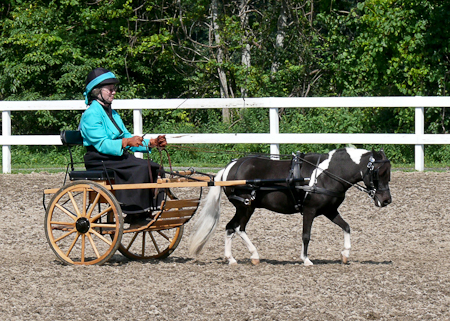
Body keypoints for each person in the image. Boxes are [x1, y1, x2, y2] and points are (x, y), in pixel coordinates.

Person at [79, 67, 167, 223]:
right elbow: (102, 144)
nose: (114, 92)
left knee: (154, 167)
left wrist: (152, 143)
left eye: (114, 89)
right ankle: (134, 212)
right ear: (96, 91)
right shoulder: (91, 114)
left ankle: (148, 209)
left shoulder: (113, 113)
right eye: (110, 89)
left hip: (116, 158)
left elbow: (128, 137)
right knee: (140, 169)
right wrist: (126, 142)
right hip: (100, 159)